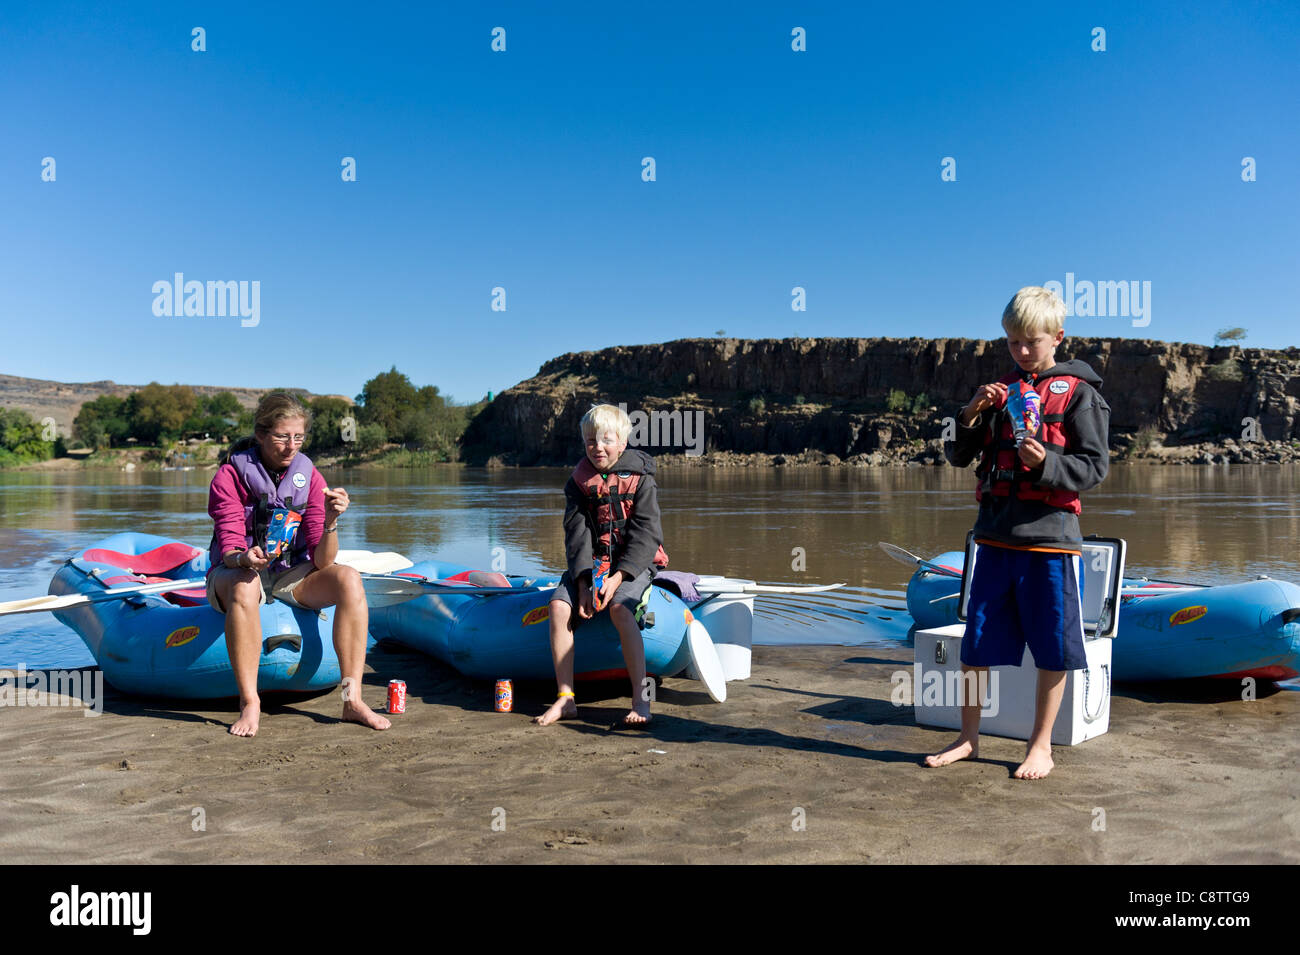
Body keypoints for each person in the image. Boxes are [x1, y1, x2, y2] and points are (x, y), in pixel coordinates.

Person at [926, 286, 1110, 779]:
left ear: (1058, 337)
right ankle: (967, 738)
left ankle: (1041, 745)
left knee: (1053, 646)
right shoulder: (1001, 393)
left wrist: (1047, 464)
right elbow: (960, 455)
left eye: (1031, 341)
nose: (1021, 351)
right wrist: (969, 413)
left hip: (1050, 543)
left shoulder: (1081, 394)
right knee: (976, 646)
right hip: (994, 540)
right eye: (1012, 342)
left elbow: (1094, 468)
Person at [206, 393, 391, 737]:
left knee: (348, 578)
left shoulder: (311, 477)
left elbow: (323, 560)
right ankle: (250, 702)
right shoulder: (228, 477)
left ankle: (352, 701)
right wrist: (243, 558)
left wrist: (331, 520)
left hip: (291, 574)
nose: (291, 446)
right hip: (236, 571)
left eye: (299, 437)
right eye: (281, 436)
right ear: (261, 434)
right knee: (245, 583)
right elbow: (230, 542)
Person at [534, 404, 670, 727]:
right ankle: (566, 699)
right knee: (557, 606)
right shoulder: (577, 483)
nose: (598, 447)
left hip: (634, 564)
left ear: (622, 443)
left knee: (621, 609)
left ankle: (641, 699)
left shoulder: (641, 481)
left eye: (607, 440)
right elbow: (576, 535)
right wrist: (583, 581)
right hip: (592, 564)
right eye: (591, 440)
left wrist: (618, 578)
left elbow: (647, 534)